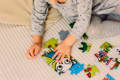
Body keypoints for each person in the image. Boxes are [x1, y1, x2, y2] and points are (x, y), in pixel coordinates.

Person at [26, 0, 120, 63]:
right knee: (91, 32)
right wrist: (37, 41)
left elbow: (84, 17)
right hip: (87, 18)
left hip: (106, 4)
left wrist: (67, 43)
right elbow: (38, 15)